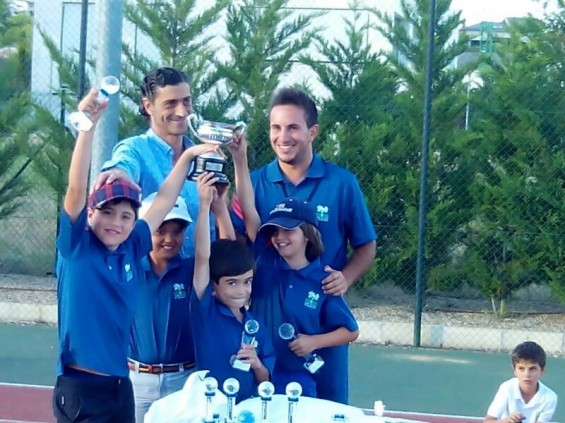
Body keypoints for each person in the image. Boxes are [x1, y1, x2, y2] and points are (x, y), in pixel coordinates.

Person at [52, 88, 215, 422]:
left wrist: (185, 158)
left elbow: (166, 199)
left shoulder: (132, 246)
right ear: (91, 214)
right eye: (107, 213)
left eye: (127, 216)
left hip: (120, 386)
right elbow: (76, 188)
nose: (116, 222)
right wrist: (88, 128)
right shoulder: (76, 249)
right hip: (81, 387)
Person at [230, 87, 376, 403]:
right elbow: (241, 238)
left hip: (318, 324)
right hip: (266, 324)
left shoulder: (342, 183)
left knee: (325, 406)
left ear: (312, 131)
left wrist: (345, 278)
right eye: (276, 127)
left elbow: (366, 246)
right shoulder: (253, 182)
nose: (284, 136)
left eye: (293, 127)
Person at [239, 192, 359, 397]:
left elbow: (351, 331)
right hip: (259, 373)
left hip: (299, 380)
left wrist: (314, 341)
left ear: (307, 234)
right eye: (275, 231)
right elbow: (249, 211)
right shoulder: (264, 263)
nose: (279, 237)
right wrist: (240, 161)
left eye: (288, 230)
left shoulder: (325, 281)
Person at [98, 66, 214, 257]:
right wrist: (120, 173)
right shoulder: (135, 149)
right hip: (148, 279)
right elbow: (123, 165)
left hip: (198, 278)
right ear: (148, 106)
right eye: (170, 103)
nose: (182, 112)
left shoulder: (203, 156)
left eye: (186, 101)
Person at [191, 171, 276, 403]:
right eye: (231, 283)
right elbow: (202, 257)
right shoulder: (205, 311)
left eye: (247, 281)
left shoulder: (255, 325)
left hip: (246, 409)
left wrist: (256, 363)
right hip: (208, 410)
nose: (241, 290)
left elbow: (265, 380)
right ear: (213, 285)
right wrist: (204, 205)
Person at [128, 193, 195, 422]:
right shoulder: (128, 269)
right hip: (137, 380)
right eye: (160, 230)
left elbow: (226, 250)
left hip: (182, 379)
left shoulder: (192, 270)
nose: (169, 238)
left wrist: (210, 205)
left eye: (177, 231)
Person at [484, 341, 558, 423]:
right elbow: (488, 421)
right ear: (514, 369)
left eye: (532, 369)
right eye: (521, 368)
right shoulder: (506, 388)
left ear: (542, 370)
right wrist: (506, 421)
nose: (527, 375)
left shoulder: (550, 398)